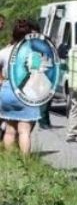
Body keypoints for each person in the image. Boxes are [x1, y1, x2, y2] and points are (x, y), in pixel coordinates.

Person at [0, 20, 39, 154]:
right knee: (24, 130)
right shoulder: (34, 54)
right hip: (25, 92)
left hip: (6, 91)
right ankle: (24, 162)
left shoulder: (4, 51)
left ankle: (10, 160)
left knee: (10, 130)